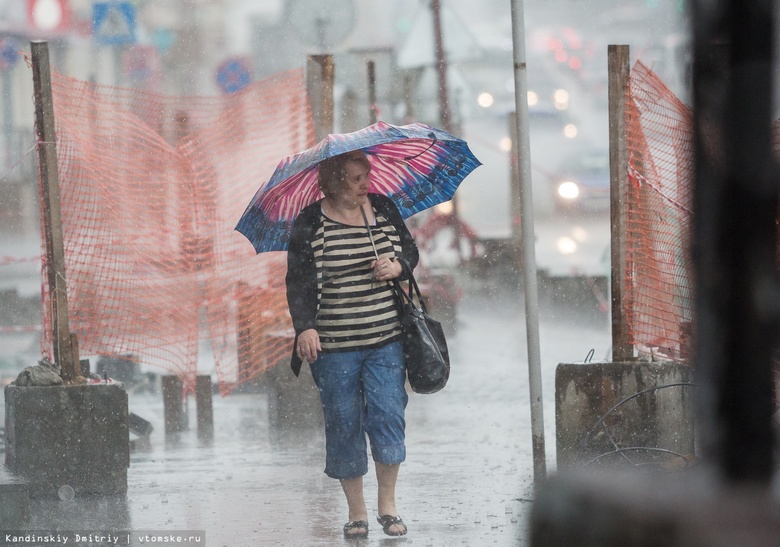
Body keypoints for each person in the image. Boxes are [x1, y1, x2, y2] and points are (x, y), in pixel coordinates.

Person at [285, 150, 419, 539]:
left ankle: (388, 507)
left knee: (388, 415)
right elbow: (298, 281)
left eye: (367, 176)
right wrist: (305, 327)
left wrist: (397, 265)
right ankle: (356, 511)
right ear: (332, 183)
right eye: (356, 178)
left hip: (386, 339)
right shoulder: (311, 221)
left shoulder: (382, 209)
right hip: (334, 345)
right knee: (344, 421)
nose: (366, 184)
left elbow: (409, 251)